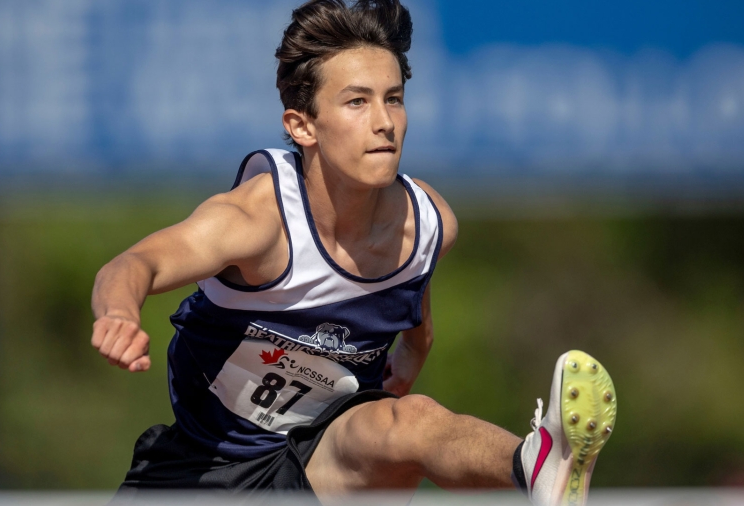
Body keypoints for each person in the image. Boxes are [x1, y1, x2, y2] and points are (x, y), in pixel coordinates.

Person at [89, 1, 617, 504]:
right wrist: (117, 312)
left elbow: (412, 306)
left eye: (394, 98)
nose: (385, 122)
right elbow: (134, 265)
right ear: (302, 126)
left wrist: (413, 352)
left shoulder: (427, 227)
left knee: (406, 422)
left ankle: (537, 466)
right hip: (202, 464)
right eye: (357, 102)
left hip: (325, 467)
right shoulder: (256, 221)